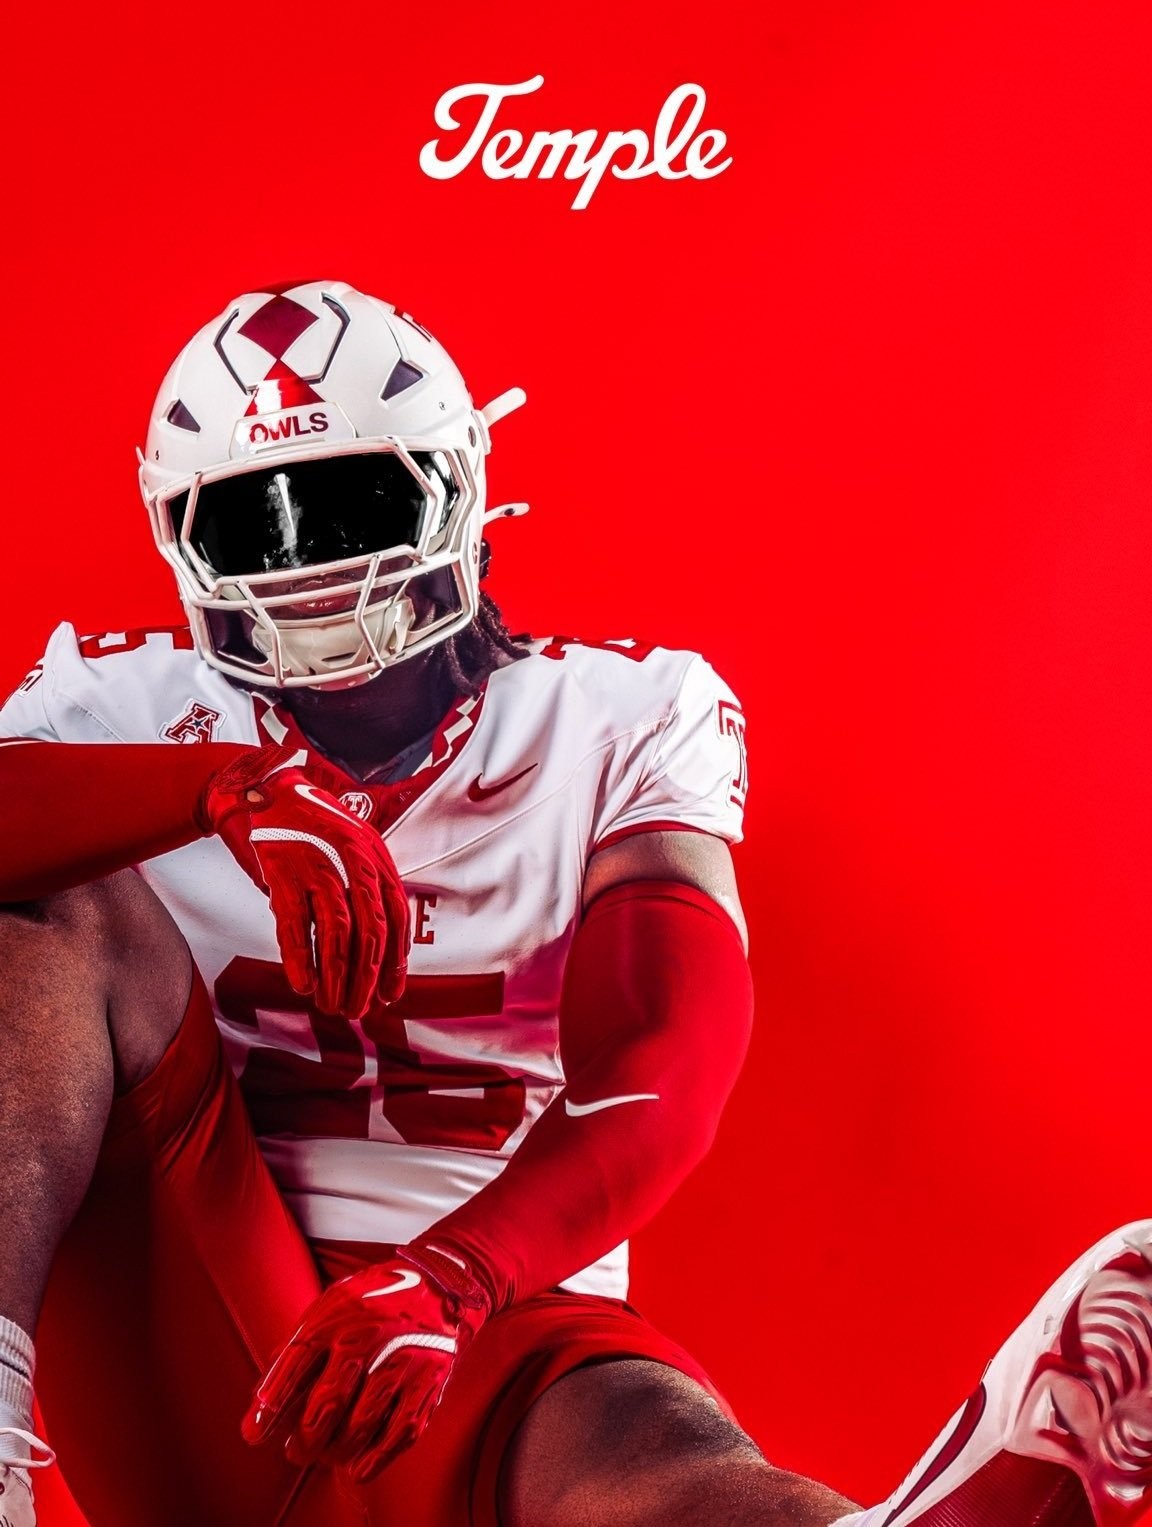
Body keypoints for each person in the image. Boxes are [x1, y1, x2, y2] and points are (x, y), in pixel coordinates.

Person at [0, 281, 1147, 1527]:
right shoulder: (110, 714)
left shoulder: (619, 720)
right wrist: (217, 787)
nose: (311, 565)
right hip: (190, 1308)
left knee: (663, 1453)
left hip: (489, 1307)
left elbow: (668, 1044)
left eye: (353, 504)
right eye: (255, 523)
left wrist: (454, 1277)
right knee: (46, 896)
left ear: (457, 485)